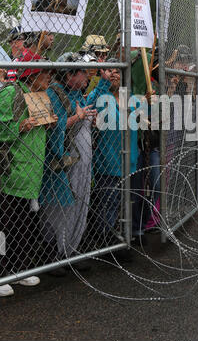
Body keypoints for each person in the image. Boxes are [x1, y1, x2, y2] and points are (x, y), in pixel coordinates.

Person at [38, 52, 110, 276]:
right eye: (81, 72)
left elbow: (86, 106)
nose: (86, 76)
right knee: (59, 208)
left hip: (80, 163)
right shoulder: (53, 93)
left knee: (79, 204)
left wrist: (87, 116)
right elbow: (52, 127)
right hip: (62, 164)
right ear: (69, 74)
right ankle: (53, 256)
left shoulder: (77, 93)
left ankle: (70, 250)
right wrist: (78, 118)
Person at [0, 52, 56, 297]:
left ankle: (17, 269)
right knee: (6, 224)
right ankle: (2, 273)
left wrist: (50, 123)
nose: (50, 77)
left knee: (24, 224)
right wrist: (18, 127)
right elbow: (2, 129)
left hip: (32, 172)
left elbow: (40, 130)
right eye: (46, 72)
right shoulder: (11, 93)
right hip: (12, 171)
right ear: (33, 74)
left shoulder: (40, 96)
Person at [91, 59, 139, 245]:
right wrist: (103, 83)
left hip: (130, 160)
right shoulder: (100, 95)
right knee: (108, 204)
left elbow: (146, 115)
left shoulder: (130, 97)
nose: (114, 74)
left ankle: (121, 235)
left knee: (125, 203)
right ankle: (104, 240)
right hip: (108, 162)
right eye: (109, 71)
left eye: (117, 71)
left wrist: (150, 101)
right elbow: (92, 104)